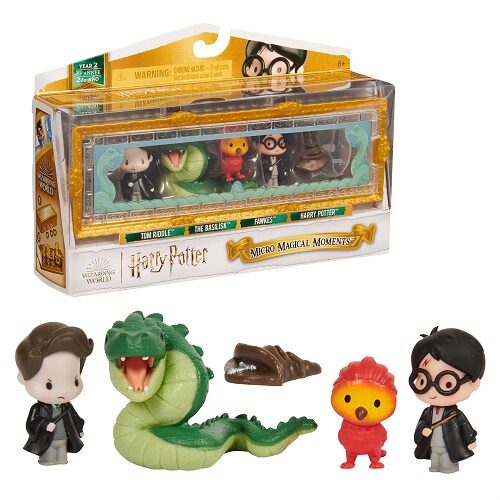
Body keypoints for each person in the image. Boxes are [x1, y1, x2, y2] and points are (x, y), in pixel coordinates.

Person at [409, 326, 485, 473]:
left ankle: (448, 467)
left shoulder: (455, 415)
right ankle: (435, 466)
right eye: (423, 381)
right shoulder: (427, 412)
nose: (432, 390)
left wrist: (470, 440)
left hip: (450, 447)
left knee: (447, 462)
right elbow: (421, 424)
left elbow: (464, 426)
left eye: (447, 384)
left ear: (473, 382)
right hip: (432, 446)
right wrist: (422, 430)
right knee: (435, 462)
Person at [16, 322, 93, 465]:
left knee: (63, 460)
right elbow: (31, 424)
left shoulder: (66, 406)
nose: (63, 391)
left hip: (63, 440)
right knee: (48, 460)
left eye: (75, 381)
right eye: (49, 385)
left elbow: (75, 418)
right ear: (23, 377)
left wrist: (79, 429)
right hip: (46, 441)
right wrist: (45, 425)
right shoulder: (38, 409)